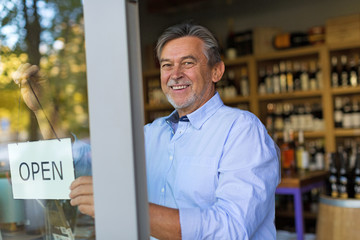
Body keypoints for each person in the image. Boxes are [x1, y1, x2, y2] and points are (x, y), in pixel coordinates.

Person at [14, 22, 280, 239]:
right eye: (166, 65)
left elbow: (230, 229)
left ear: (216, 71)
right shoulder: (151, 134)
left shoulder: (242, 130)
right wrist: (43, 109)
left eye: (187, 63)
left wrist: (124, 208)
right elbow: (78, 162)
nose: (175, 74)